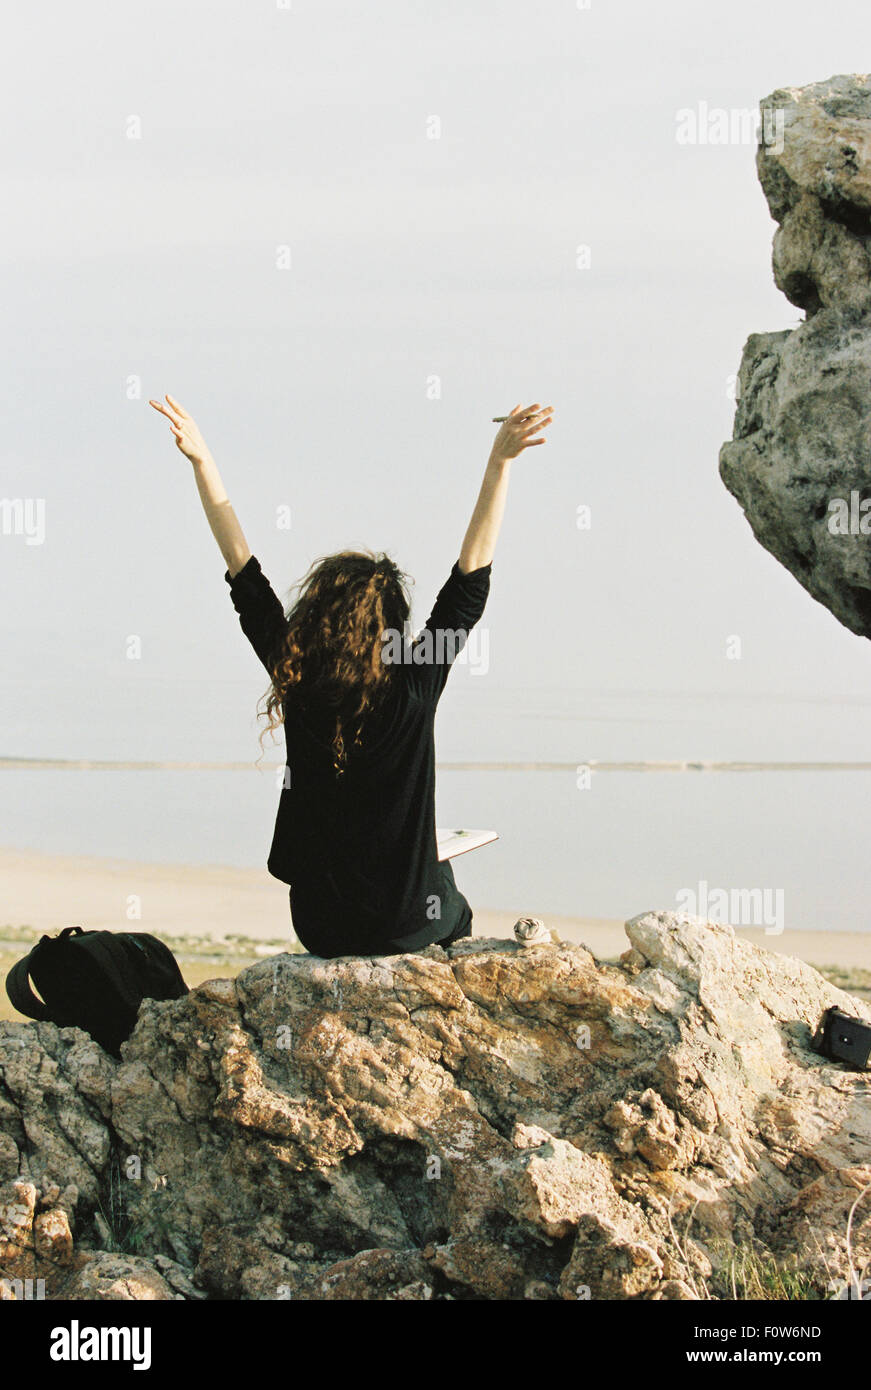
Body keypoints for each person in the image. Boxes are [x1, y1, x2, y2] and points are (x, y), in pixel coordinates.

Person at [149, 393, 554, 957]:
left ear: (317, 616)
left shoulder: (294, 670)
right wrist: (499, 463)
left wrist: (204, 463)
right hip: (407, 927)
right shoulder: (416, 680)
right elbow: (470, 580)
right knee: (449, 898)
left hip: (322, 927)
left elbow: (243, 572)